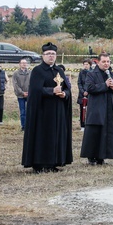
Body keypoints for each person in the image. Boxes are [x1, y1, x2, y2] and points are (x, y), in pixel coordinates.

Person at [22, 42, 73, 173]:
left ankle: (54, 162)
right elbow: (35, 91)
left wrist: (64, 94)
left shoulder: (59, 71)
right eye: (48, 54)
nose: (51, 56)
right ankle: (40, 163)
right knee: (43, 136)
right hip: (43, 111)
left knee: (56, 136)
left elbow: (68, 89)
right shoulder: (38, 71)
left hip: (58, 110)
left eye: (53, 54)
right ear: (43, 55)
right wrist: (52, 91)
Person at [81, 53, 113, 165]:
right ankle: (91, 157)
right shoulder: (91, 74)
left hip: (110, 108)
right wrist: (104, 85)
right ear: (98, 62)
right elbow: (89, 88)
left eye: (108, 61)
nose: (106, 64)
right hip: (97, 109)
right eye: (104, 61)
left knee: (106, 133)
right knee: (95, 133)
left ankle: (102, 157)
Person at [12, 59, 31, 131]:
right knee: (22, 111)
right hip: (20, 96)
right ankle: (23, 126)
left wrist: (29, 92)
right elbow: (15, 85)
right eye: (22, 63)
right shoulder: (16, 73)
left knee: (29, 111)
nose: (24, 64)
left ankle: (29, 126)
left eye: (25, 63)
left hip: (29, 95)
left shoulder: (30, 73)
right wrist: (22, 93)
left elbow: (33, 83)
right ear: (19, 64)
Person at [76, 59, 92, 131]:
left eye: (87, 64)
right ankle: (82, 125)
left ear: (90, 65)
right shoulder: (81, 72)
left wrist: (88, 91)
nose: (85, 66)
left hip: (90, 94)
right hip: (82, 95)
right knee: (82, 110)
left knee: (90, 110)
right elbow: (79, 83)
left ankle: (90, 124)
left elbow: (93, 83)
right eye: (84, 64)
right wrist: (83, 92)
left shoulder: (93, 72)